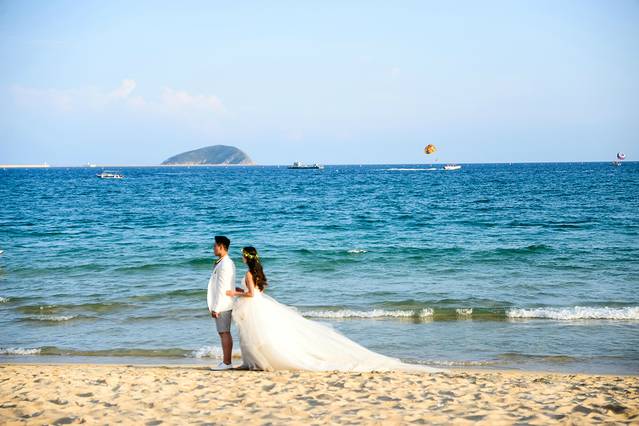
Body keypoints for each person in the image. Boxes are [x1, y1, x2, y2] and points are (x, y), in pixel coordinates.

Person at [227, 246, 442, 372]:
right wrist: (241, 290)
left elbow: (251, 294)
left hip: (253, 306)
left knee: (252, 336)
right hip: (260, 306)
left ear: (247, 257)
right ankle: (252, 363)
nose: (242, 257)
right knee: (257, 336)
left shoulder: (248, 274)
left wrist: (234, 293)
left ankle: (252, 363)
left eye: (243, 255)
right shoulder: (258, 272)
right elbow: (258, 291)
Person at [207, 235, 236, 370]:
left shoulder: (225, 264)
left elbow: (222, 288)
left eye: (215, 246)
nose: (213, 248)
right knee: (223, 332)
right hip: (224, 303)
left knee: (224, 332)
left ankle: (227, 363)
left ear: (221, 247)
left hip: (223, 304)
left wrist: (216, 308)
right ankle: (226, 362)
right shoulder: (224, 262)